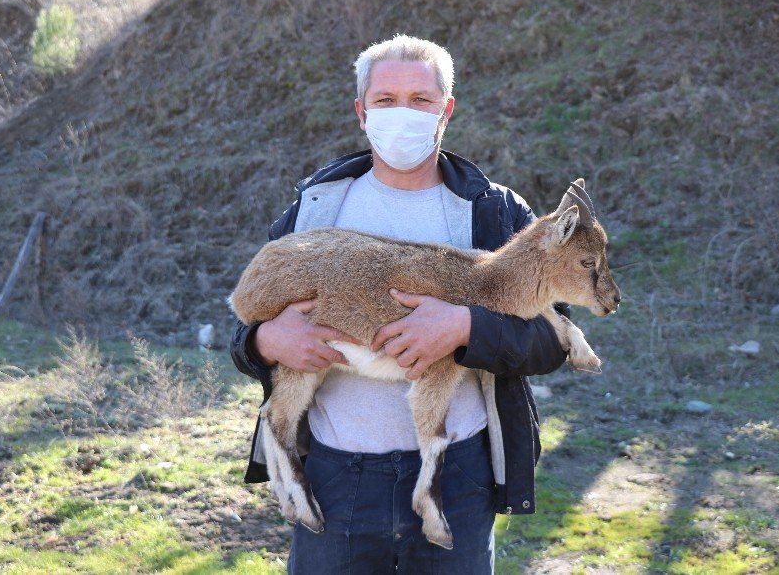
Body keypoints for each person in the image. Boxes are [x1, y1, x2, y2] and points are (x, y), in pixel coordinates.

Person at [230, 35, 570, 574]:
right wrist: (264, 341)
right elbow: (249, 333)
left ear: (446, 111)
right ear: (361, 113)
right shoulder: (315, 212)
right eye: (385, 101)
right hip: (335, 477)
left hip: (456, 475)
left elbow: (552, 339)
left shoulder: (495, 215)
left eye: (421, 100)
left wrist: (465, 326)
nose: (402, 114)